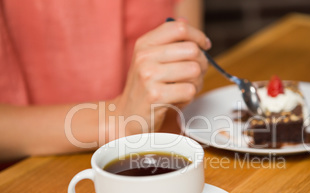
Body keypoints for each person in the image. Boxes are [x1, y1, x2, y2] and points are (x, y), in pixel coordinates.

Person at [0, 0, 210, 162]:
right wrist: (117, 119)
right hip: (36, 172)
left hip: (163, 144)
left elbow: (184, 23)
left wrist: (183, 72)